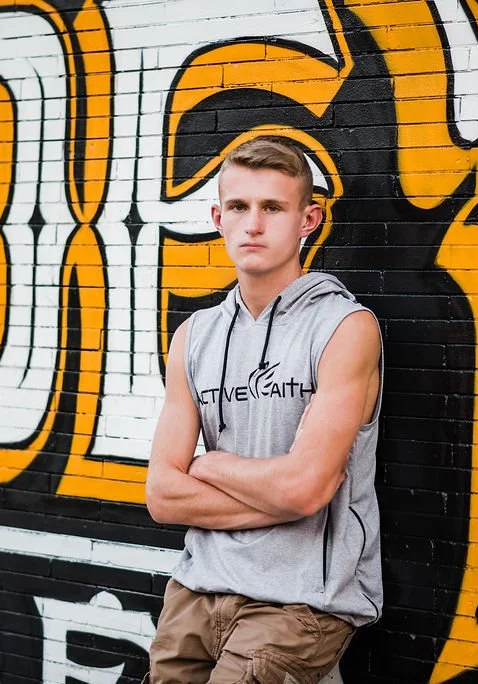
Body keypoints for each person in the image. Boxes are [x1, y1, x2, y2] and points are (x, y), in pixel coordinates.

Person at [145, 135, 383, 683]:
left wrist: (208, 466)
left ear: (308, 219)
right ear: (218, 218)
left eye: (273, 207)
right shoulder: (194, 336)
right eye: (239, 207)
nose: (253, 224)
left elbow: (304, 488)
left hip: (299, 603)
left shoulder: (345, 328)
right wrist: (283, 496)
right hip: (196, 591)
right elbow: (161, 495)